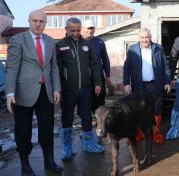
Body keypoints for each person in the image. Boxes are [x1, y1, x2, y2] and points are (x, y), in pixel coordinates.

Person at [5, 10, 62, 176]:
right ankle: (25, 164)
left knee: (47, 128)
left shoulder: (50, 41)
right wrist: (10, 93)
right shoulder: (17, 40)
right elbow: (12, 68)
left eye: (41, 21)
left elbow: (53, 67)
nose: (38, 24)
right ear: (29, 21)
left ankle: (49, 161)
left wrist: (56, 88)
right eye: (35, 21)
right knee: (23, 130)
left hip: (46, 93)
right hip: (23, 93)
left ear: (45, 23)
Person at [56, 17, 105, 161]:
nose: (76, 33)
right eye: (72, 30)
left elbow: (95, 65)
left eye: (78, 30)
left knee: (86, 116)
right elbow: (56, 69)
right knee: (67, 118)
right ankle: (67, 149)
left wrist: (98, 83)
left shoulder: (86, 44)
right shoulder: (59, 45)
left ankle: (89, 144)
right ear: (66, 30)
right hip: (67, 89)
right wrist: (57, 89)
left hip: (85, 88)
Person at [123, 27, 171, 144]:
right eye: (142, 37)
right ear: (139, 38)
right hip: (138, 85)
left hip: (155, 84)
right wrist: (126, 83)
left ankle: (155, 133)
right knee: (138, 110)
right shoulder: (132, 49)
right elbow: (127, 67)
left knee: (156, 109)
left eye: (146, 37)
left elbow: (165, 66)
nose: (144, 40)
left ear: (150, 38)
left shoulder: (158, 48)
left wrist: (167, 82)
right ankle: (139, 134)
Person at [83, 20, 111, 112]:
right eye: (88, 28)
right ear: (83, 29)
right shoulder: (79, 41)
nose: (90, 30)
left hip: (98, 77)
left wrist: (107, 75)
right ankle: (87, 121)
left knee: (99, 101)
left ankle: (99, 121)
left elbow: (105, 59)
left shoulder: (99, 42)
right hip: (84, 78)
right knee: (85, 101)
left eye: (92, 28)